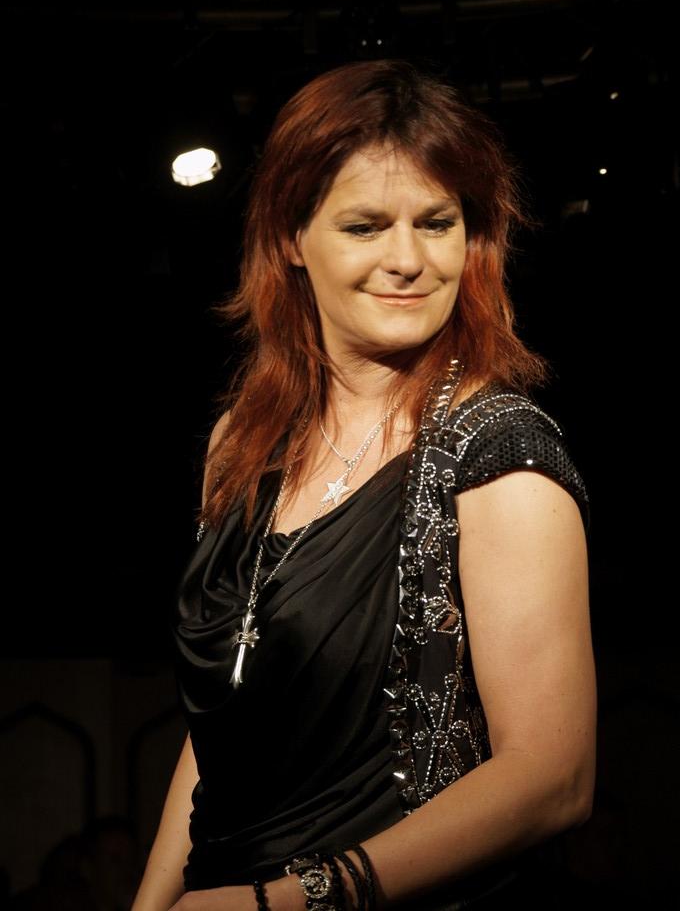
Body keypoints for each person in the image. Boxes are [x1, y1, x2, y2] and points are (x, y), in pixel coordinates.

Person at [132, 58, 596, 911]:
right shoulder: (240, 443)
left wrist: (285, 900)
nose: (408, 259)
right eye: (365, 226)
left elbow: (552, 778)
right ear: (289, 239)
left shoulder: (499, 454)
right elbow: (222, 729)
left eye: (437, 222)